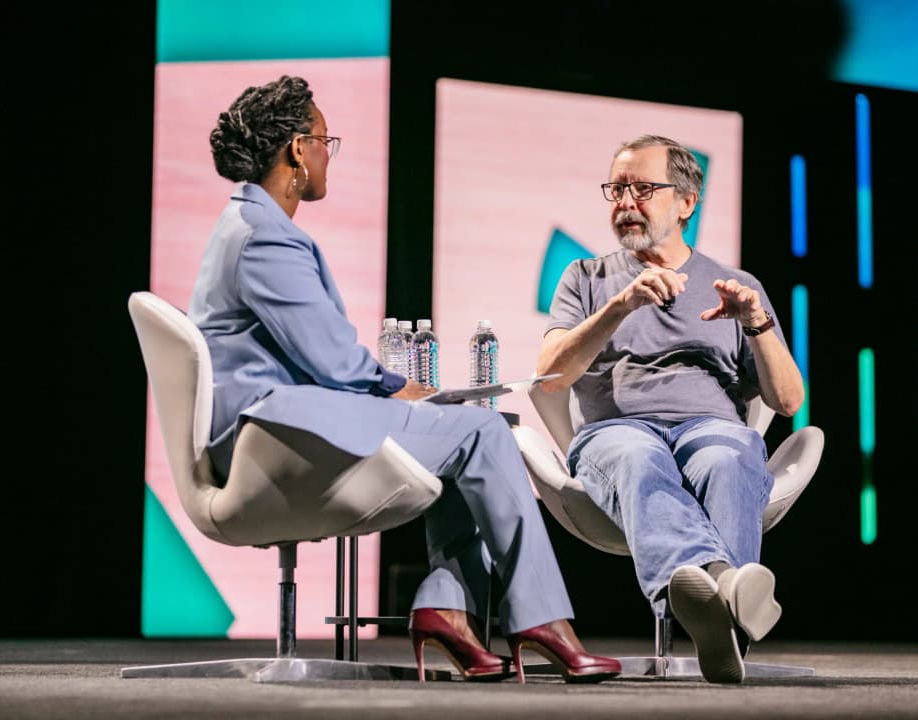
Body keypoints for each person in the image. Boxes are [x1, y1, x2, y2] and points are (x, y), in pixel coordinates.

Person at [187, 75, 619, 684]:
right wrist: (396, 386)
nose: (328, 155)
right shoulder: (266, 238)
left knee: (464, 436)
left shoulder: (244, 223)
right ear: (297, 150)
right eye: (324, 141)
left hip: (272, 428)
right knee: (483, 433)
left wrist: (406, 395)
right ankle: (543, 621)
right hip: (270, 438)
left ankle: (446, 608)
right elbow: (333, 362)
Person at [536, 135, 805, 684]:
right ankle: (728, 591)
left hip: (709, 428)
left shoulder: (738, 286)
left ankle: (717, 620)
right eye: (617, 189)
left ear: (686, 201)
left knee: (731, 456)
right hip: (618, 431)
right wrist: (621, 304)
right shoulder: (585, 278)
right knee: (640, 458)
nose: (625, 202)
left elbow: (788, 400)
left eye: (642, 189)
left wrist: (755, 321)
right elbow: (551, 376)